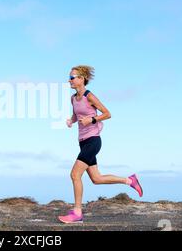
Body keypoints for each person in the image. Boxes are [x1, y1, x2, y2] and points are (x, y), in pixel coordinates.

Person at [58, 65, 143, 224]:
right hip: (82, 142)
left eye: (72, 77)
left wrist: (92, 119)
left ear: (81, 79)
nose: (69, 80)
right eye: (69, 77)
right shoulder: (73, 98)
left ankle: (77, 213)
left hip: (93, 140)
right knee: (96, 179)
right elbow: (77, 115)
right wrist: (71, 120)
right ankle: (130, 181)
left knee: (75, 175)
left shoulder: (90, 96)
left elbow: (107, 114)